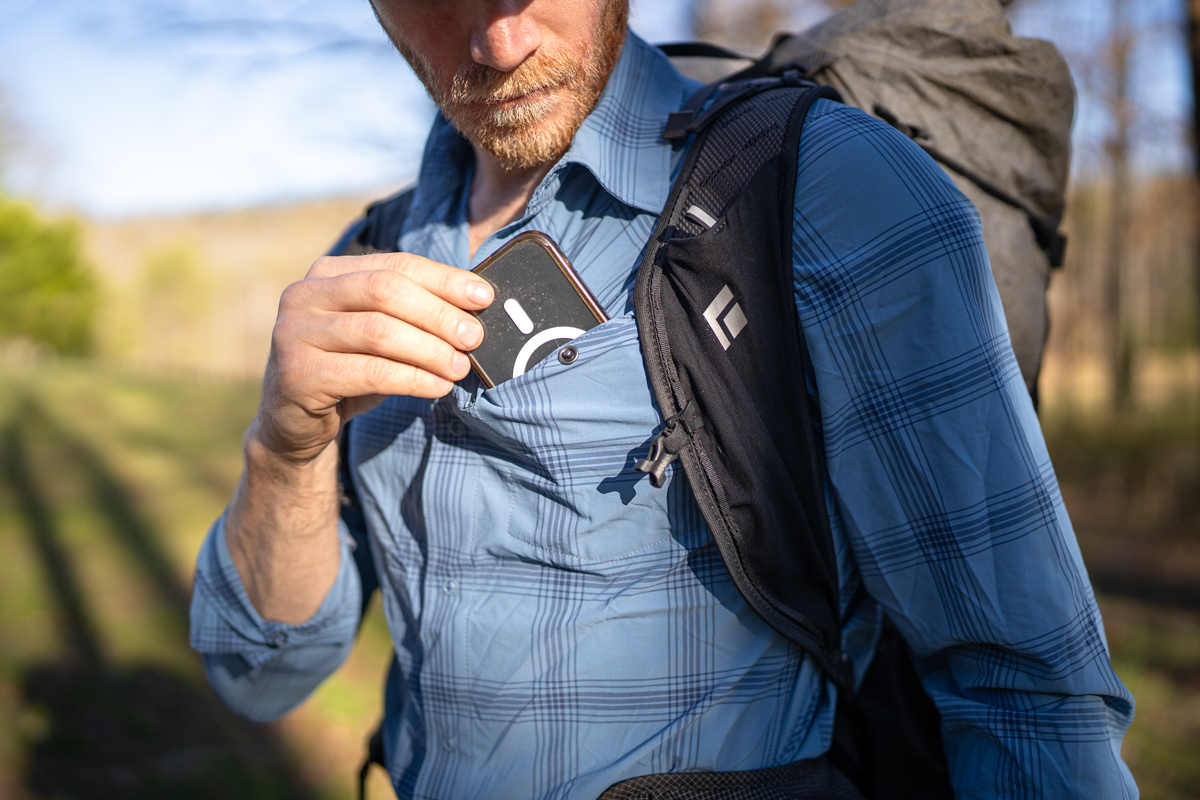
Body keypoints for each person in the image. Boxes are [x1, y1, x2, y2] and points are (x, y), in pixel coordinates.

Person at [189, 1, 1137, 797]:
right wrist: (286, 452)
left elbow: (1028, 697)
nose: (498, 45)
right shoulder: (372, 251)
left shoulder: (829, 193)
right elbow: (259, 675)